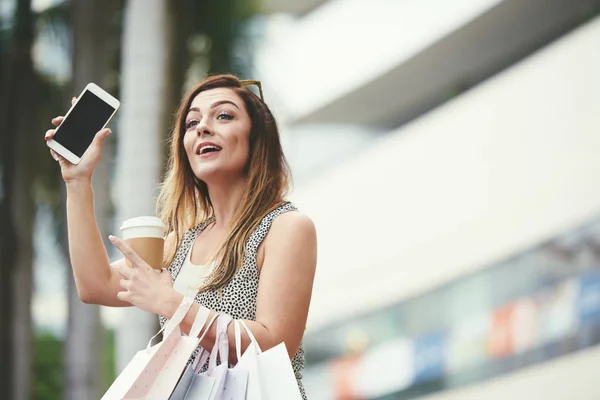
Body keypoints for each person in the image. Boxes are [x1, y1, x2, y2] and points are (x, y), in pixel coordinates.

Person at [44, 74, 317, 398]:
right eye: (191, 122)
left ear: (256, 136)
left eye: (224, 115)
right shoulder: (178, 243)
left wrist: (173, 305)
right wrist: (77, 182)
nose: (202, 127)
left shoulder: (285, 227)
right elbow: (96, 285)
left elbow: (275, 345)